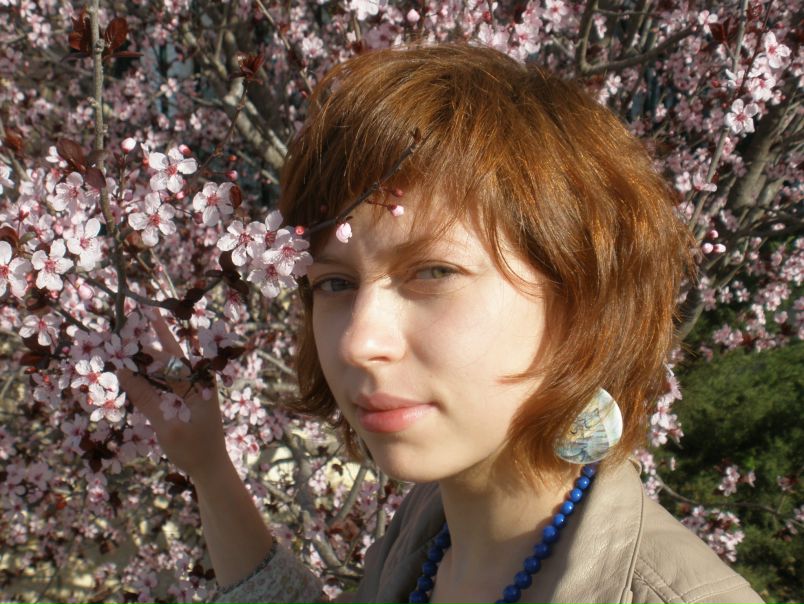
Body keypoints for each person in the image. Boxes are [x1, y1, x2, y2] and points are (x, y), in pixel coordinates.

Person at [119, 43, 764, 604]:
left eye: (433, 272)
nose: (359, 342)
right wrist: (209, 467)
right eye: (335, 283)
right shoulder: (427, 531)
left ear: (579, 299)